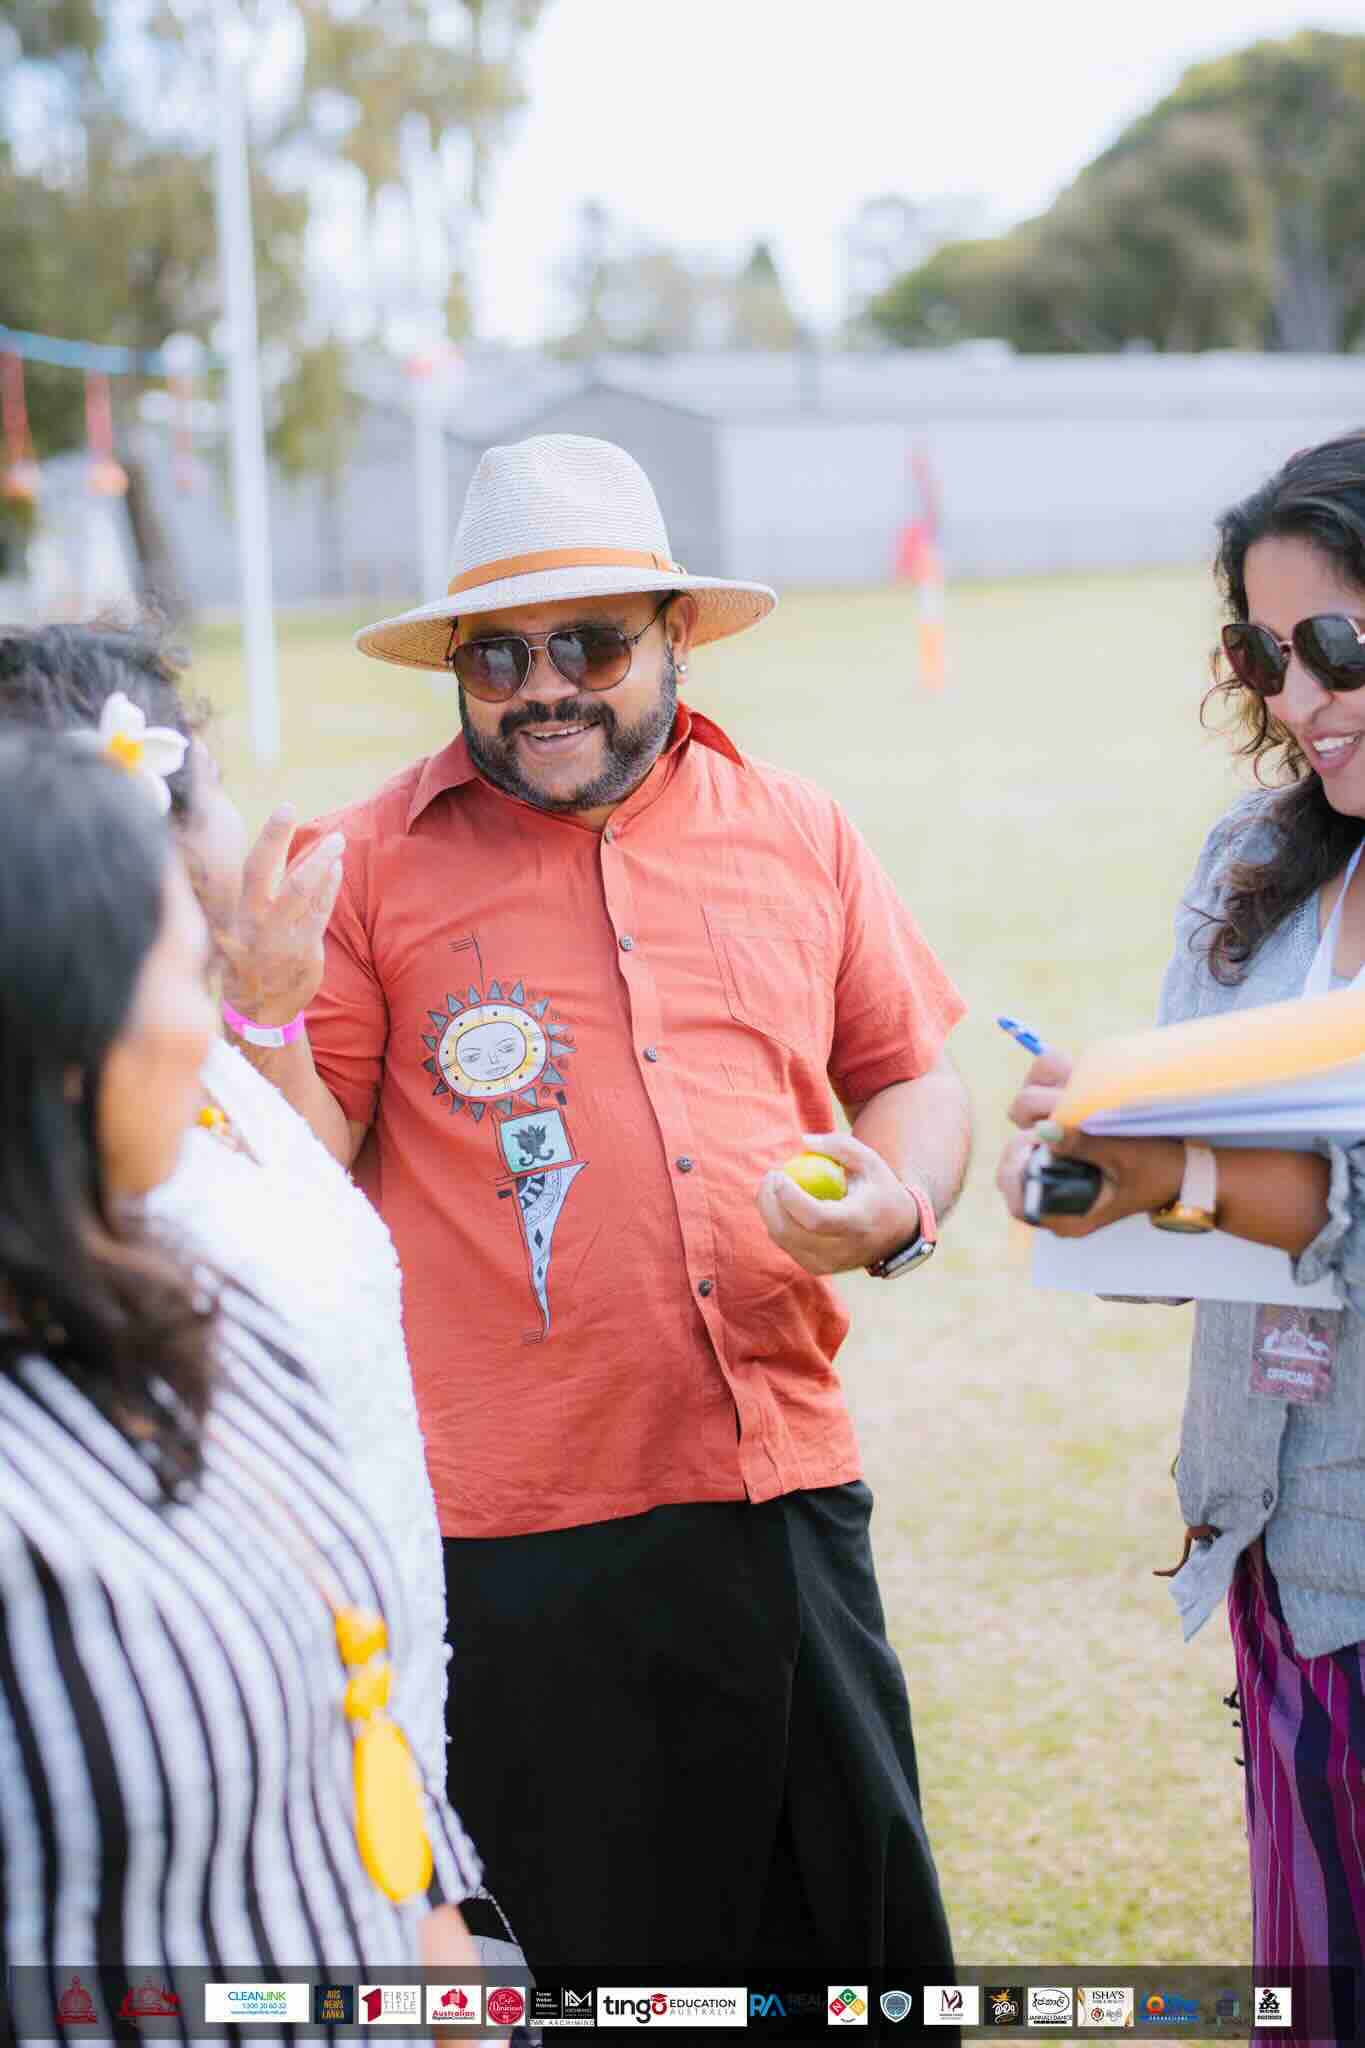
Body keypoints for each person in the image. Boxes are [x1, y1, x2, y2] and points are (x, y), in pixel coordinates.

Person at [221, 431, 972, 1979]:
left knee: (848, 1948)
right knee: (588, 1969)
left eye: (588, 643)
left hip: (776, 1489)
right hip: (508, 1534)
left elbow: (910, 1076)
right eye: (495, 655)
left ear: (673, 633)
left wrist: (899, 1202)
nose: (539, 683)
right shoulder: (360, 867)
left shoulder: (802, 831)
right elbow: (305, 1178)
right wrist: (271, 1017)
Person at [0, 733, 483, 2009]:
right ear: (60, 1037)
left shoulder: (229, 1322)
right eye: (184, 961)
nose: (206, 1020)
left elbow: (373, 1760)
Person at [997, 431, 1365, 2023]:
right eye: (1263, 655)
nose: (1298, 699)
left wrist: (1192, 1174)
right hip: (1280, 1530)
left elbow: (1255, 1182)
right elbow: (1180, 1202)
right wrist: (1085, 1179)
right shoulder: (1253, 868)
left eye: (1335, 644)